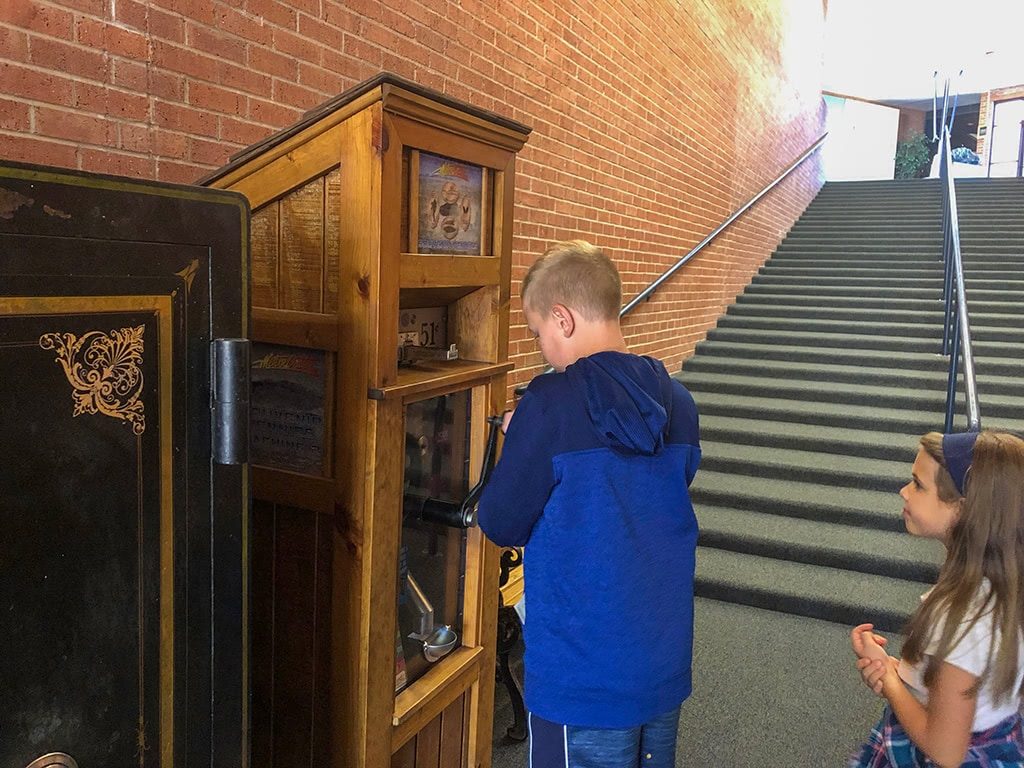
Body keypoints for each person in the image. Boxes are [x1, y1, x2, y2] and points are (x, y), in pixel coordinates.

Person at [477, 240, 701, 768]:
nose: (541, 350)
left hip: (580, 676)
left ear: (563, 319)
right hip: (660, 660)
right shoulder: (679, 403)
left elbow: (500, 521)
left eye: (538, 334)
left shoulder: (547, 405)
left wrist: (519, 441)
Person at [849, 430, 1024, 767]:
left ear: (962, 509)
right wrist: (897, 669)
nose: (904, 490)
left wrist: (888, 680)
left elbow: (945, 751)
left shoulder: (962, 618)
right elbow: (971, 685)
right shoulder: (1003, 585)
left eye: (917, 484)